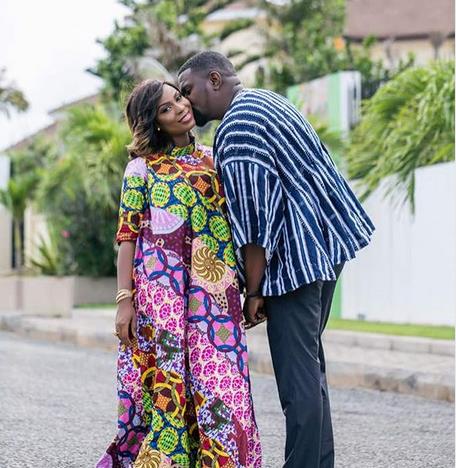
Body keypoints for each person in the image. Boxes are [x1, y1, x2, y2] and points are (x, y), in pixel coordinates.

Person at [177, 51, 375, 468]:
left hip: (294, 262)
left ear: (215, 79)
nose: (186, 101)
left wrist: (254, 291)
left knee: (297, 380)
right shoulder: (267, 99)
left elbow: (255, 225)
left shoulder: (238, 127)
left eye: (188, 90)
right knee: (310, 370)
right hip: (325, 246)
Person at [96, 79, 262, 468]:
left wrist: (254, 288)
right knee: (169, 391)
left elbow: (245, 222)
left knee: (223, 388)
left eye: (178, 98)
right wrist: (124, 301)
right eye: (166, 109)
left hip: (215, 294)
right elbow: (127, 237)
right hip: (162, 300)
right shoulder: (141, 169)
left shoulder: (216, 159)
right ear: (154, 122)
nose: (180, 108)